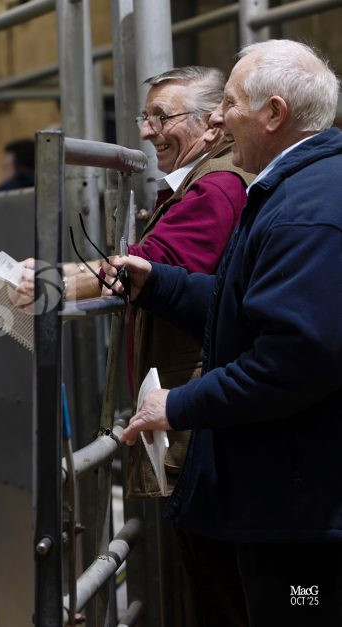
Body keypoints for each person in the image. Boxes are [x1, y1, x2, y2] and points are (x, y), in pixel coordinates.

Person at [109, 40, 342, 626]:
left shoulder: (303, 209)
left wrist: (177, 404)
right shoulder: (289, 190)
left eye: (230, 103)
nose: (217, 118)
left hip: (300, 515)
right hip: (291, 496)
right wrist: (162, 282)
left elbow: (290, 361)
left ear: (274, 114)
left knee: (300, 610)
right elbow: (247, 308)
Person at [15, 66, 254, 626]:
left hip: (200, 414)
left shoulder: (214, 190)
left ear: (214, 123)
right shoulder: (211, 184)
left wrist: (50, 280)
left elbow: (150, 272)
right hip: (202, 406)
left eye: (161, 117)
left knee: (229, 583)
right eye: (145, 117)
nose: (147, 132)